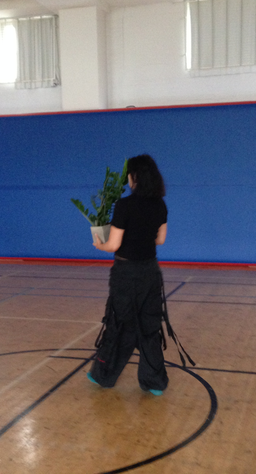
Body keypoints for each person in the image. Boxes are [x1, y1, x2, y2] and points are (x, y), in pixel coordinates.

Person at [87, 154, 193, 396]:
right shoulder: (160, 205)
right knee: (149, 324)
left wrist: (99, 244)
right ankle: (154, 381)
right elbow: (160, 239)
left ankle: (104, 375)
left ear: (134, 176)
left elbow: (114, 245)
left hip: (126, 274)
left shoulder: (124, 205)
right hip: (150, 272)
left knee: (120, 323)